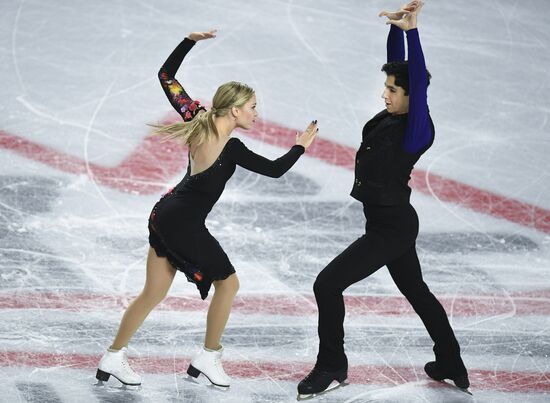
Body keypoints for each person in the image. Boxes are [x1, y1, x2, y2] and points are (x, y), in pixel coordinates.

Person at [96, 29, 318, 388]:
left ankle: (113, 356)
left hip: (163, 214)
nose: (257, 113)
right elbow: (276, 170)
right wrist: (300, 146)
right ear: (235, 109)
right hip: (182, 223)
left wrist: (189, 41)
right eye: (253, 107)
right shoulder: (232, 148)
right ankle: (209, 356)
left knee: (153, 293)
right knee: (228, 284)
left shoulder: (196, 118)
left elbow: (166, 76)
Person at [297, 2, 469, 399]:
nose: (384, 93)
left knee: (327, 284)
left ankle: (331, 365)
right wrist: (396, 30)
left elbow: (419, 87)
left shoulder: (416, 131)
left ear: (413, 97)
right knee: (417, 290)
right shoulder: (393, 115)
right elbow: (399, 67)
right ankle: (450, 360)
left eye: (392, 90)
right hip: (386, 222)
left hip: (392, 227)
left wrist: (414, 33)